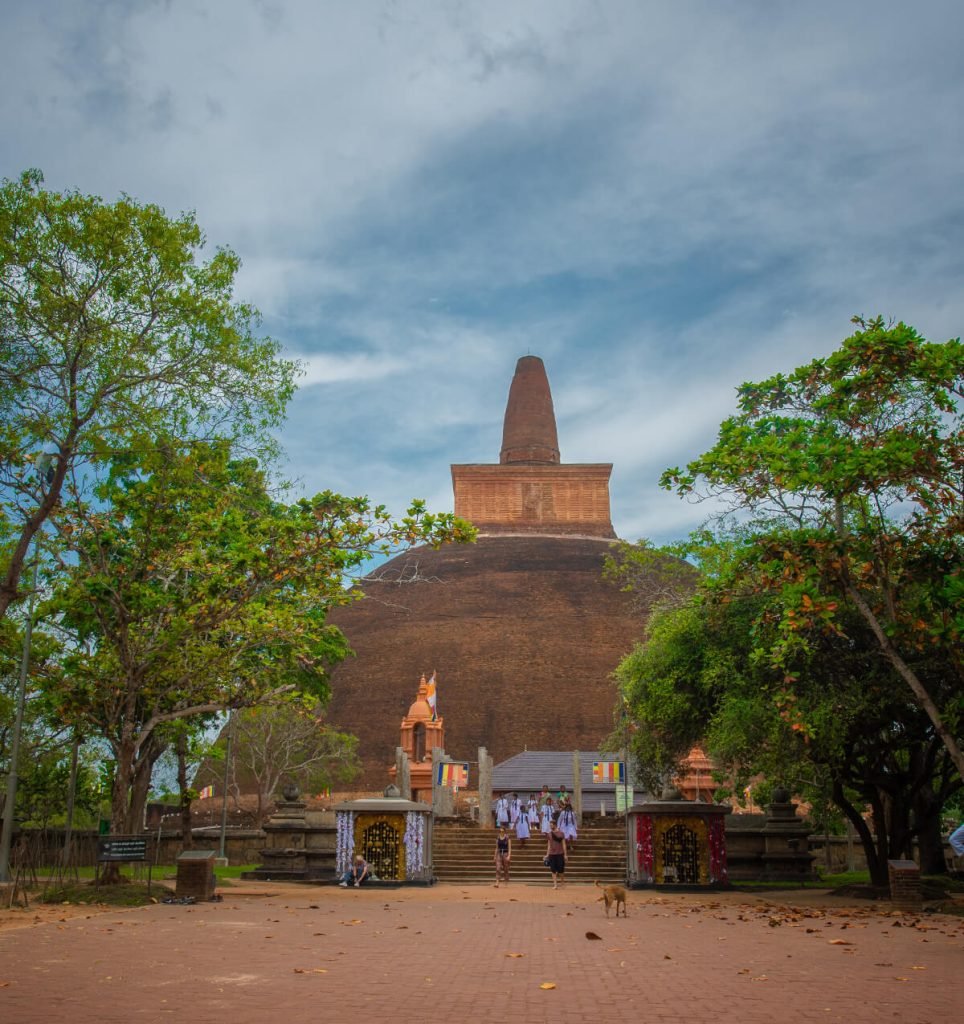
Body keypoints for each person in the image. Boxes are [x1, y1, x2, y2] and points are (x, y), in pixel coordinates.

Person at [545, 822, 568, 889]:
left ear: (555, 825)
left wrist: (565, 854)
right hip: (552, 854)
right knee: (553, 870)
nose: (550, 826)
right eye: (550, 825)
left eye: (551, 825)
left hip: (560, 853)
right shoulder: (549, 834)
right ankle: (555, 884)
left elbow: (564, 844)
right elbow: (549, 845)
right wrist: (547, 854)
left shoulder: (561, 834)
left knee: (561, 870)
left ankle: (562, 882)